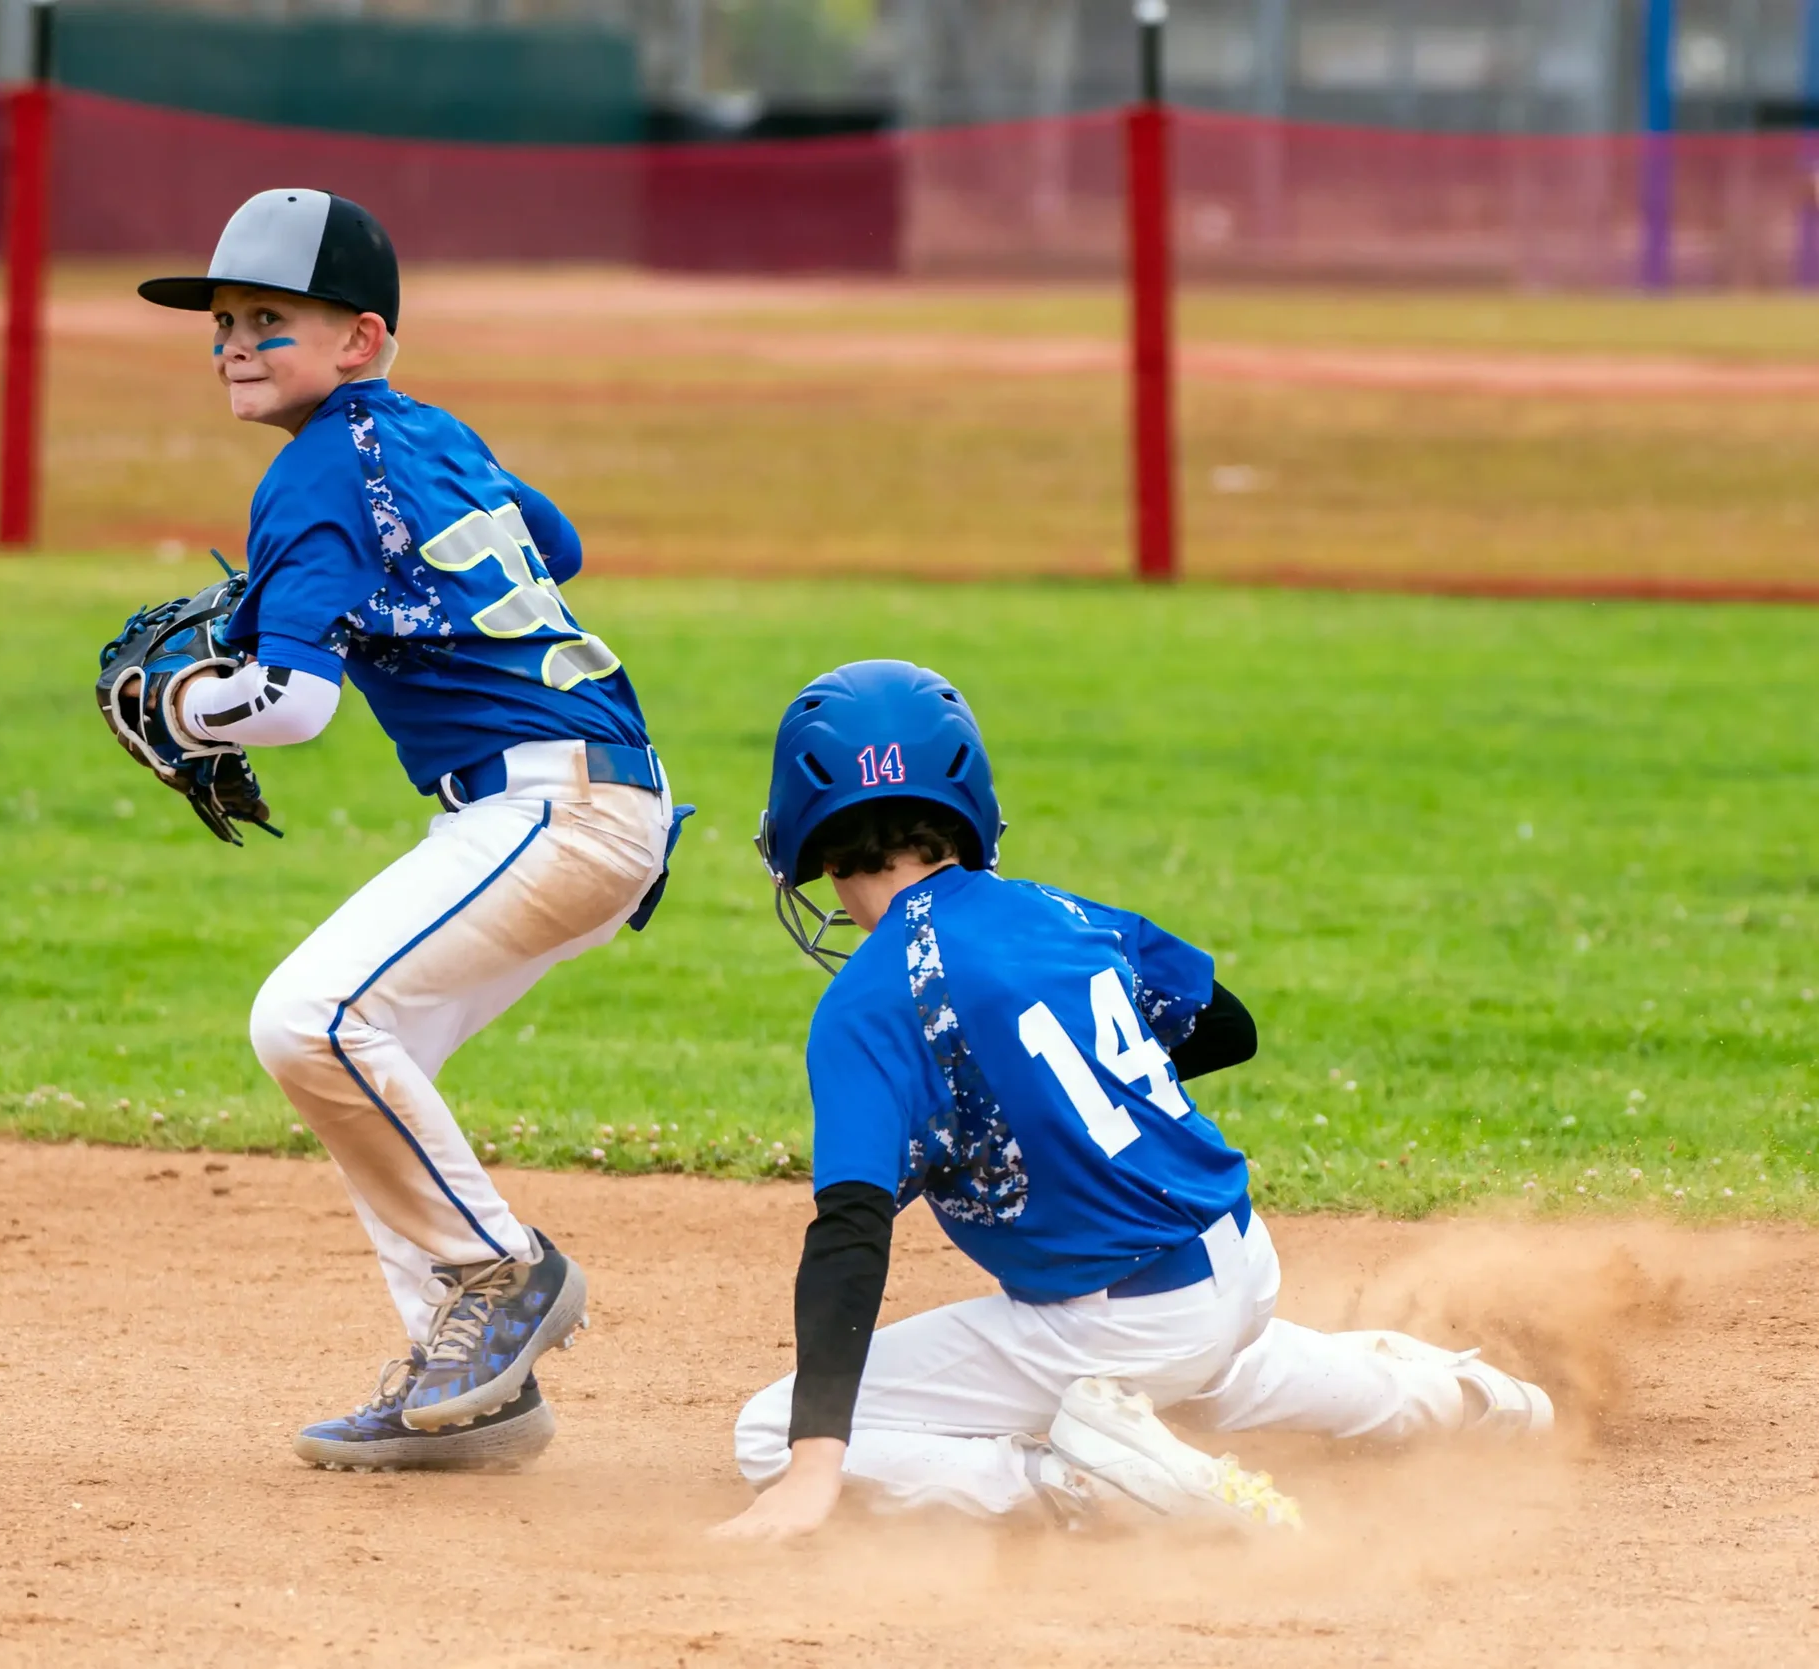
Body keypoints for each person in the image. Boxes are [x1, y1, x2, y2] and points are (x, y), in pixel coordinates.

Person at [712, 659, 1551, 1540]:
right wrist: (1050, 1096)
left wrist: (814, 1467)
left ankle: (1080, 1481)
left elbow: (850, 1231)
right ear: (968, 811)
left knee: (770, 1432)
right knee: (1222, 1366)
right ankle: (1475, 1399)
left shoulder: (868, 1002)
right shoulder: (1062, 913)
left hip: (1120, 1326)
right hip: (1240, 1264)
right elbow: (1228, 1027)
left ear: (819, 850)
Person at [125, 190, 682, 1472]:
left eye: (270, 319)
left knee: (310, 1020)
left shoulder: (314, 470)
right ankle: (469, 1387)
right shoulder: (423, 432)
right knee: (366, 1074)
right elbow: (558, 542)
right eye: (220, 323)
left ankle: (501, 1276)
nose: (232, 345)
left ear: (359, 338)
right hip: (588, 800)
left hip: (555, 808)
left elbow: (295, 703)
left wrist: (175, 703)